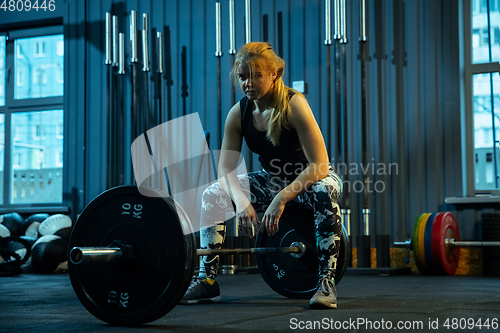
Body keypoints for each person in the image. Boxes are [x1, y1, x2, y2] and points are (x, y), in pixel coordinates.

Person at [181, 42, 343, 309]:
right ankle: (206, 281)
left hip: (312, 180)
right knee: (214, 193)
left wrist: (281, 198)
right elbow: (224, 170)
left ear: (274, 74)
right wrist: (243, 203)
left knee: (324, 190)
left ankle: (326, 282)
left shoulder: (295, 104)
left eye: (257, 75)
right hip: (274, 181)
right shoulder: (239, 112)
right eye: (243, 77)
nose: (249, 83)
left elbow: (320, 165)